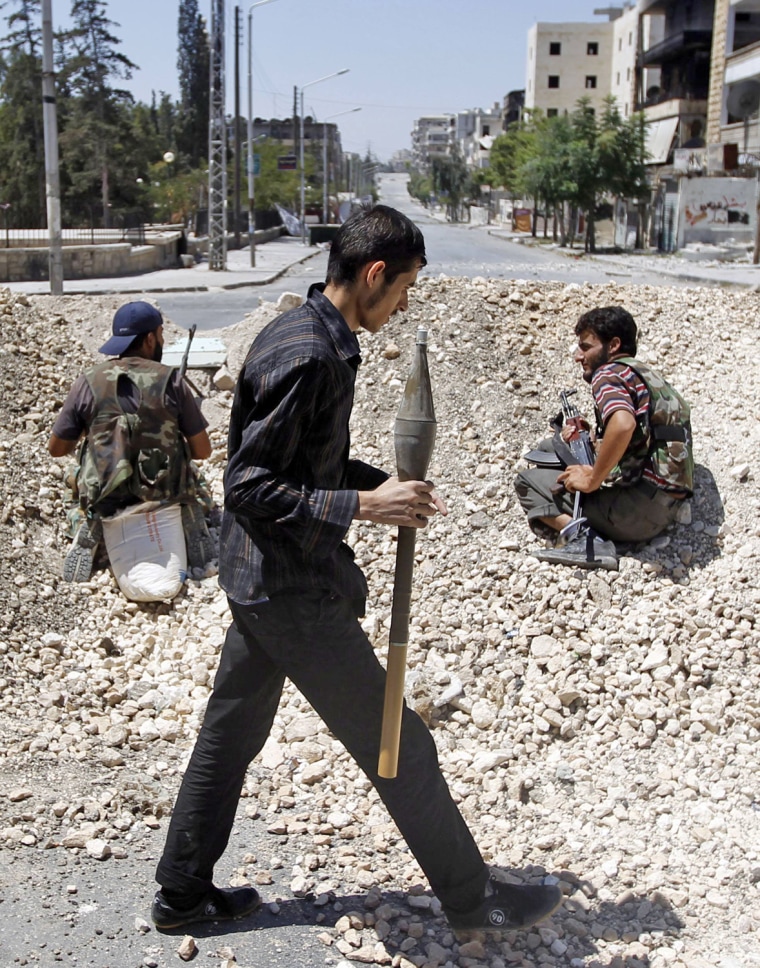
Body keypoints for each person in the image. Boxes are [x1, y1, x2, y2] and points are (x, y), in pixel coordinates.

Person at [151, 205, 562, 937]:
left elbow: (302, 461)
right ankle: (475, 899)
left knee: (230, 733)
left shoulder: (303, 332)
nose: (403, 306)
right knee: (397, 739)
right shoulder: (310, 356)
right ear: (374, 274)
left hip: (259, 579)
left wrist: (383, 486)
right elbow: (247, 483)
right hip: (291, 588)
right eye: (403, 288)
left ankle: (181, 893)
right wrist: (365, 505)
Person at [515, 305, 693, 571]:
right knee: (550, 448)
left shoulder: (608, 373)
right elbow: (642, 438)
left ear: (614, 345)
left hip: (636, 513)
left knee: (526, 480)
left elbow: (623, 425)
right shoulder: (648, 376)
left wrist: (591, 478)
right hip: (664, 507)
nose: (578, 356)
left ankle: (587, 540)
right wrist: (595, 439)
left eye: (586, 347)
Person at [48, 300, 213, 582]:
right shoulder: (171, 380)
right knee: (197, 480)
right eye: (161, 334)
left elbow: (57, 448)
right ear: (149, 339)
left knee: (73, 480)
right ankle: (189, 512)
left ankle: (89, 522)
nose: (162, 341)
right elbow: (202, 451)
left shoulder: (89, 381)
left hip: (107, 494)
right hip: (162, 493)